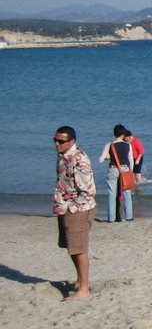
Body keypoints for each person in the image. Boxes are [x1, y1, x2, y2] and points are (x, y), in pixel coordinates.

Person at [52, 126, 96, 300]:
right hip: (64, 205)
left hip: (78, 208)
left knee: (79, 248)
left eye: (61, 141)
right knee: (70, 246)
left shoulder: (79, 159)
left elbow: (87, 191)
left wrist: (74, 208)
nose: (57, 144)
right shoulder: (62, 156)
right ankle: (80, 280)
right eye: (55, 140)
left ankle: (84, 289)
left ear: (72, 141)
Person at [99, 124, 134, 223]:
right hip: (125, 169)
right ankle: (129, 216)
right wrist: (130, 172)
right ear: (123, 134)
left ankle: (111, 218)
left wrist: (108, 157)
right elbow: (130, 160)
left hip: (113, 168)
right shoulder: (128, 145)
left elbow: (101, 159)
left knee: (111, 194)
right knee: (127, 193)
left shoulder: (110, 145)